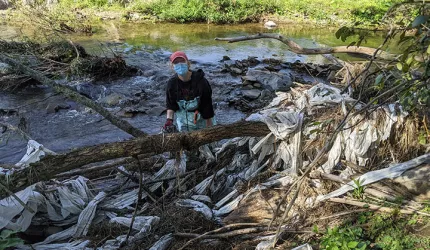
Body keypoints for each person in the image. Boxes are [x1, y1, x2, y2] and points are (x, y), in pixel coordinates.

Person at [163, 51, 215, 133]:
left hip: (202, 120)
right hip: (183, 122)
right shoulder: (171, 83)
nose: (179, 64)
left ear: (188, 63)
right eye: (176, 62)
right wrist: (169, 120)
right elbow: (170, 104)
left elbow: (207, 105)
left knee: (209, 145)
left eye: (182, 61)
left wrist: (209, 128)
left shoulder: (201, 81)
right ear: (172, 67)